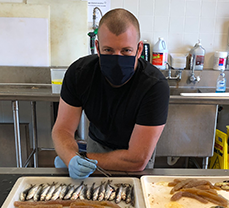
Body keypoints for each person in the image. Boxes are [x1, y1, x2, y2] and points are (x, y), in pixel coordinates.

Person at [52, 8, 170, 179]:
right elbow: (62, 129)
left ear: (138, 50)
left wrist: (82, 158)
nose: (117, 58)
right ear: (98, 47)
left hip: (134, 160)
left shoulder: (154, 86)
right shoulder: (79, 73)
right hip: (96, 146)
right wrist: (70, 158)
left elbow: (137, 160)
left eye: (125, 51)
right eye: (108, 50)